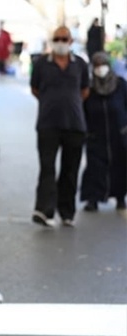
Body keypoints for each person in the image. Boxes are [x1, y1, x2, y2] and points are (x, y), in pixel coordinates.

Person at [30, 26, 90, 227]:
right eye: (57, 38)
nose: (61, 42)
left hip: (75, 125)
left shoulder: (80, 64)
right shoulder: (40, 64)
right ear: (52, 40)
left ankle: (67, 212)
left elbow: (84, 91)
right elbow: (35, 88)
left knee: (70, 170)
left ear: (71, 41)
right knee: (47, 168)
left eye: (65, 38)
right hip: (48, 124)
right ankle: (44, 210)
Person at [81, 52, 127, 211]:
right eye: (97, 65)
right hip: (96, 134)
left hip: (118, 134)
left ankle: (120, 197)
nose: (100, 68)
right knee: (95, 167)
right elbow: (83, 110)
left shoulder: (120, 85)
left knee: (120, 165)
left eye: (103, 64)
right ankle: (93, 199)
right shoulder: (90, 88)